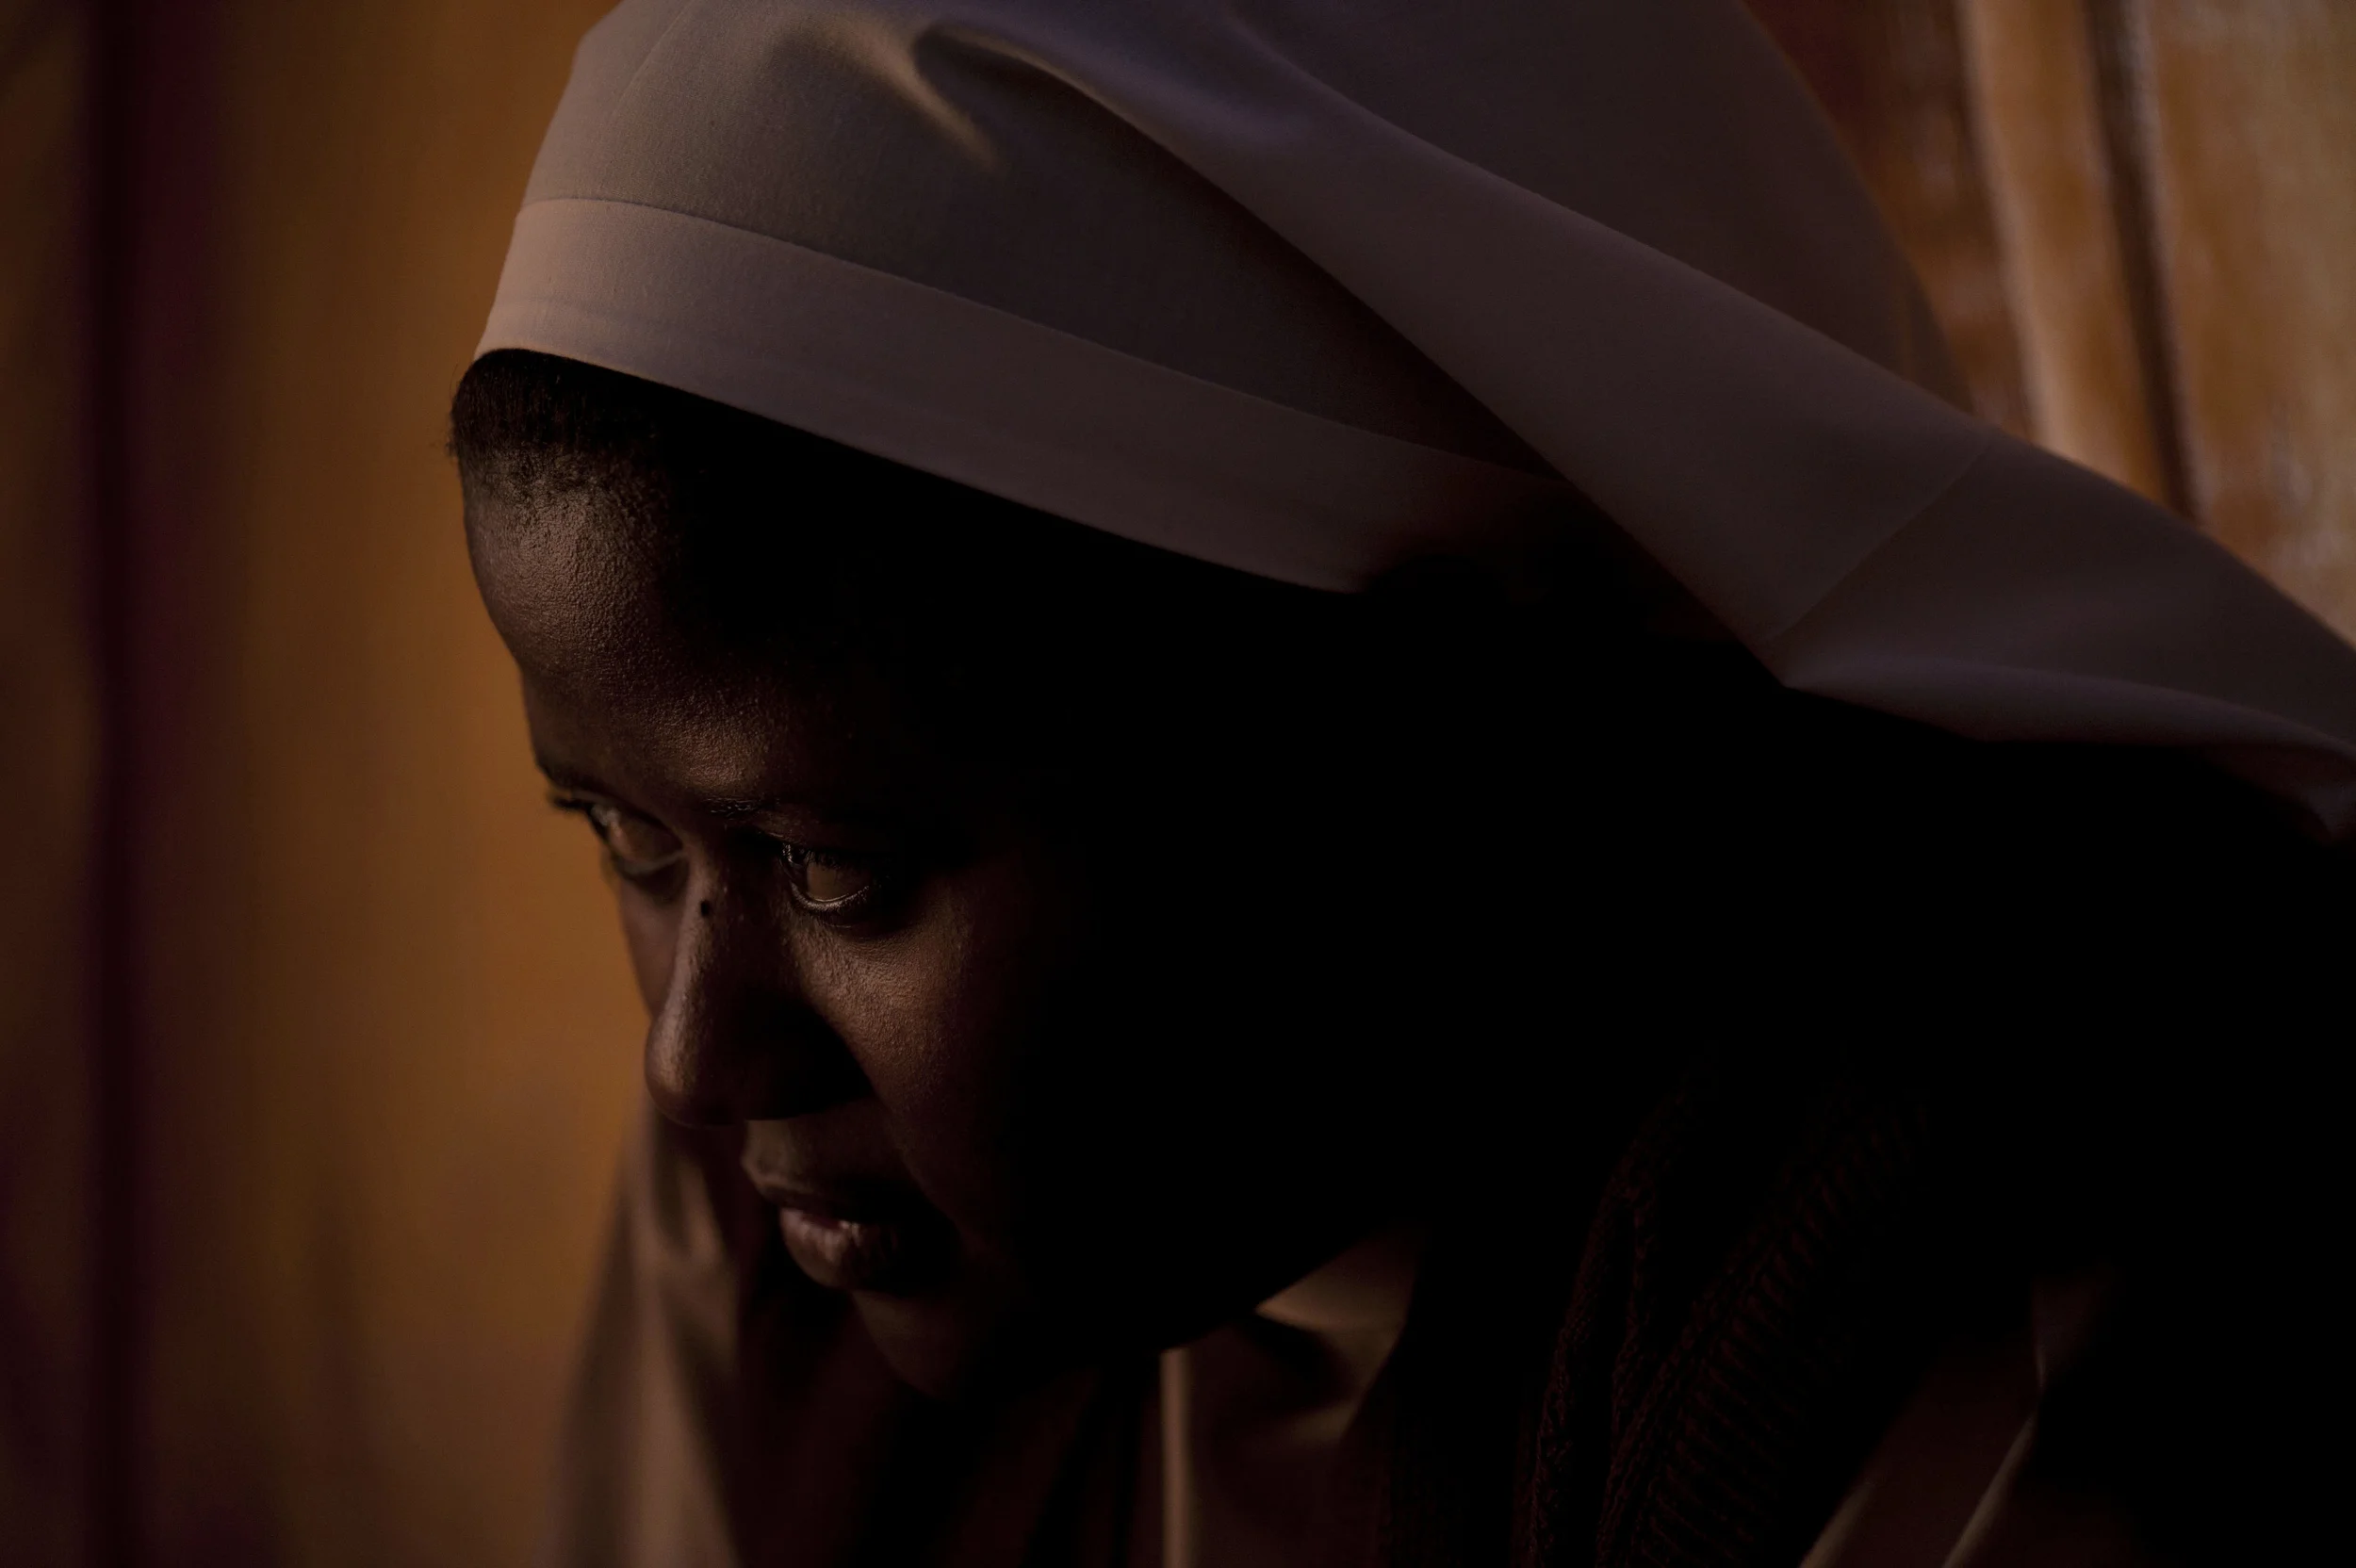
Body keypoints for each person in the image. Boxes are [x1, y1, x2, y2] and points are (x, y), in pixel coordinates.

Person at [450, 3, 2356, 1563]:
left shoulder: (1965, 1251)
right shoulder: (813, 1238)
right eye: (622, 833)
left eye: (833, 865)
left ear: (1448, 724)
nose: (699, 1061)